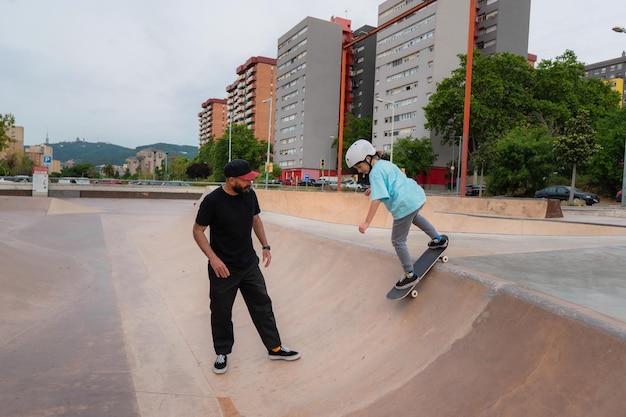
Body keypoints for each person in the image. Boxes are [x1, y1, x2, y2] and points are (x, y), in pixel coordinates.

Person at [193, 159, 300, 374]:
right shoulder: (212, 201)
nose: (251, 183)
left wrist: (265, 245)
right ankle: (222, 352)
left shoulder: (249, 195)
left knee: (263, 306)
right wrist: (214, 259)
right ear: (231, 180)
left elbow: (256, 220)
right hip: (223, 268)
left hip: (249, 264)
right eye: (247, 179)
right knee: (221, 312)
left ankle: (275, 347)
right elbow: (197, 231)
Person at [345, 139, 448, 290]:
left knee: (398, 241)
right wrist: (373, 189)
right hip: (415, 197)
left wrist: (366, 222)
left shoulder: (374, 174)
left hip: (403, 206)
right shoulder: (385, 164)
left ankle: (409, 275)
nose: (360, 171)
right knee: (415, 217)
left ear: (368, 158)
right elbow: (392, 183)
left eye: (359, 166)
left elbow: (377, 200)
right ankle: (438, 239)